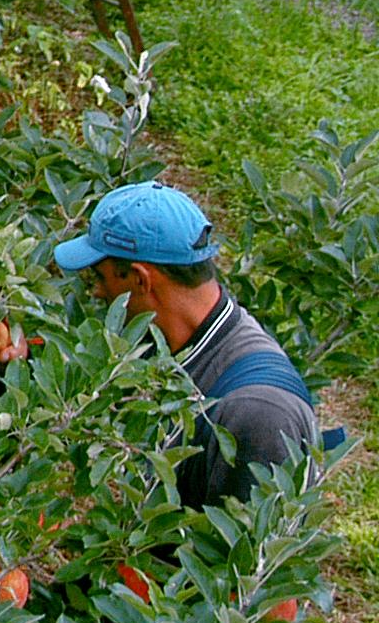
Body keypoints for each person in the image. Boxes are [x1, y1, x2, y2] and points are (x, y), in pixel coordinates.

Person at [53, 181, 322, 509]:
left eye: (100, 277)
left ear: (140, 278)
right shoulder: (174, 343)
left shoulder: (257, 415)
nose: (96, 292)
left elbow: (242, 555)